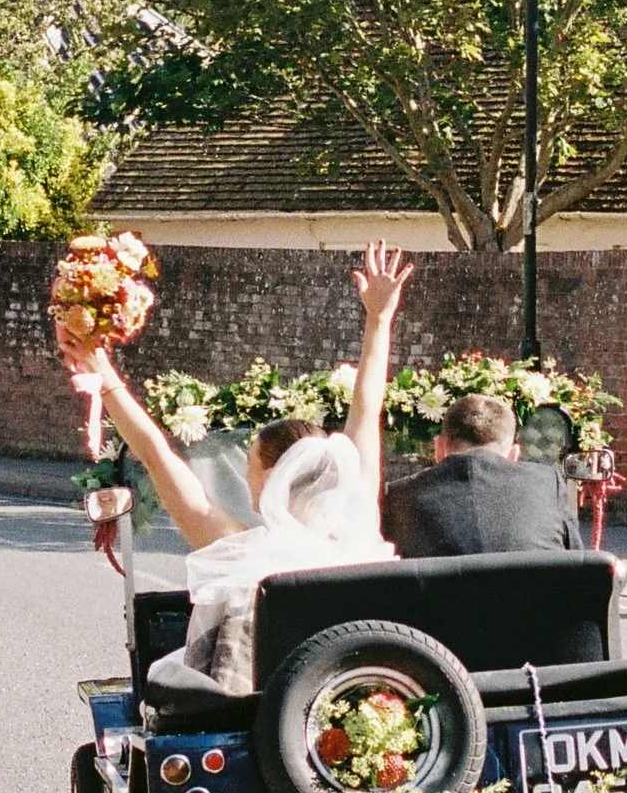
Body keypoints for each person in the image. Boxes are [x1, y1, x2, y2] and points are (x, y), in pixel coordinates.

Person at [61, 242, 413, 692]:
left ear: (269, 476)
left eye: (249, 463)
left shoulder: (244, 551)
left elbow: (156, 453)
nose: (245, 475)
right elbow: (368, 408)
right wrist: (379, 318)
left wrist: (102, 374)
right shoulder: (361, 533)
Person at [387, 388, 587, 558]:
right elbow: (577, 565)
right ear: (513, 454)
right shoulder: (547, 485)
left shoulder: (398, 498)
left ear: (439, 449)